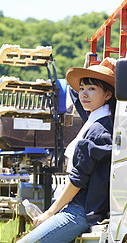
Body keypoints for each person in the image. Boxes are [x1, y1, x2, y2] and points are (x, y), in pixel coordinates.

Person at [17, 57, 116, 243]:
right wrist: (99, 68)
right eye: (82, 89)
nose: (84, 94)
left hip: (80, 211)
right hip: (77, 207)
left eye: (92, 89)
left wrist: (49, 213)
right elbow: (72, 89)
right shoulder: (98, 118)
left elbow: (77, 181)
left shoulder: (98, 130)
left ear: (108, 95)